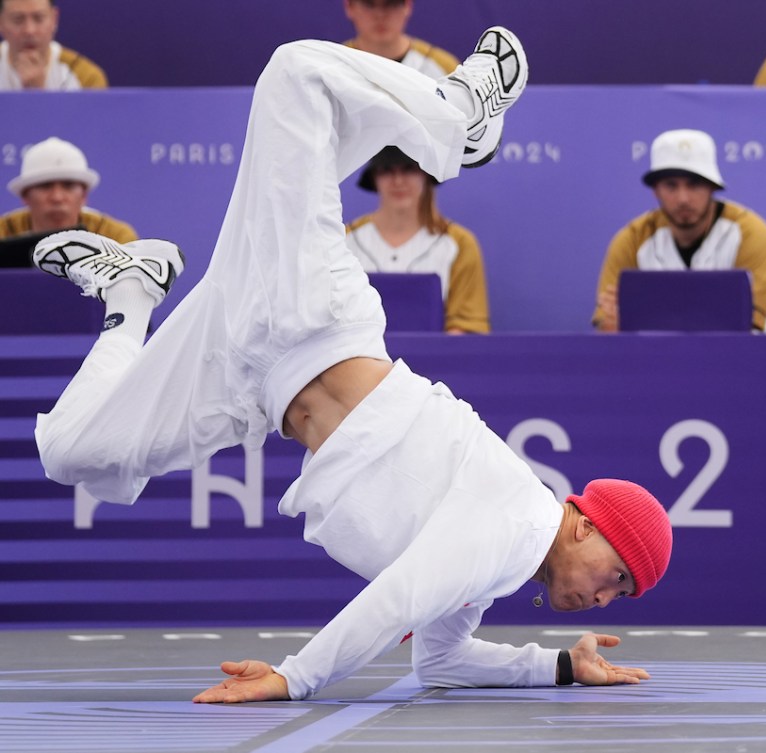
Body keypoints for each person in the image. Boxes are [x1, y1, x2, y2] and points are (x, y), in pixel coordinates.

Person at [31, 27, 673, 703]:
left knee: (71, 452)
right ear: (583, 522)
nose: (608, 595)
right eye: (618, 573)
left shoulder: (495, 564)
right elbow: (397, 598)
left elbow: (443, 662)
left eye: (621, 591)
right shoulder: (512, 529)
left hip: (249, 379)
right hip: (311, 319)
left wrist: (560, 665)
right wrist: (294, 676)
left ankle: (129, 291)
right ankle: (456, 118)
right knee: (295, 74)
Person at [593, 128, 766, 333]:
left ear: (712, 187)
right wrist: (611, 323)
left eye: (694, 185)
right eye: (671, 185)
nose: (683, 198)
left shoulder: (750, 233)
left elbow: (750, 324)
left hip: (742, 357)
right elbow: (607, 327)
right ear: (656, 190)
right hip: (655, 358)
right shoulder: (631, 239)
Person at [347, 146, 490, 333]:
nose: (398, 181)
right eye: (387, 170)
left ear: (426, 175)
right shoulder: (344, 239)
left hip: (433, 361)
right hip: (355, 359)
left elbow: (467, 327)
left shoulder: (460, 243)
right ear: (374, 178)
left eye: (408, 169)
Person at [1, 136, 137, 243]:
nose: (57, 197)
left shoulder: (116, 238)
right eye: (45, 186)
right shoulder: (3, 233)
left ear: (84, 195)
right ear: (25, 195)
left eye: (68, 185)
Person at [0, 0, 106, 90]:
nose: (29, 30)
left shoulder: (87, 77)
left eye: (39, 18)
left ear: (54, 19)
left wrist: (37, 91)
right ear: (1, 22)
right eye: (18, 20)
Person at [342, 0, 457, 79]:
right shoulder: (333, 65)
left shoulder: (444, 68)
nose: (380, 14)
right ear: (349, 7)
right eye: (368, 4)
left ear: (408, 5)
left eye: (392, 4)